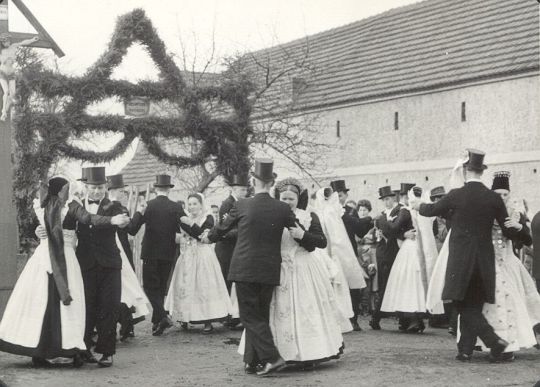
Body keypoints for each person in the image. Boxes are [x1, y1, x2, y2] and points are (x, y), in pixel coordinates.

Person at [0, 177, 128, 367]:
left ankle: (55, 348)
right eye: (66, 189)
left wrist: (113, 219)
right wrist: (38, 231)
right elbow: (87, 218)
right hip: (54, 257)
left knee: (53, 302)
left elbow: (87, 219)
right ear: (60, 191)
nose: (68, 192)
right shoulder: (57, 205)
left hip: (55, 256)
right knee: (51, 301)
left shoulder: (54, 204)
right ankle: (54, 348)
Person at [411, 149, 524, 362]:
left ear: (465, 170)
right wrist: (519, 228)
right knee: (473, 305)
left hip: (461, 261)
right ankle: (465, 350)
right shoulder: (493, 198)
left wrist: (418, 206)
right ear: (482, 172)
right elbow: (508, 230)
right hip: (485, 260)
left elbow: (432, 209)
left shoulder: (457, 194)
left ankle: (492, 341)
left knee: (462, 305)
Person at [206, 159, 297, 376]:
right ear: (273, 182)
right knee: (260, 315)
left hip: (245, 268)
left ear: (254, 181)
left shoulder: (242, 205)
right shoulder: (283, 208)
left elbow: (221, 228)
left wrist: (209, 236)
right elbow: (297, 231)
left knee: (249, 316)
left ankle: (272, 358)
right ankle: (251, 360)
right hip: (269, 269)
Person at [267, 178, 344, 368]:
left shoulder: (308, 216)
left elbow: (321, 242)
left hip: (303, 267)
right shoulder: (270, 216)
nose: (287, 202)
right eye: (284, 198)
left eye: (291, 198)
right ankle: (279, 353)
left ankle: (310, 352)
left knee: (306, 308)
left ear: (298, 199)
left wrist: (303, 236)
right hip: (279, 269)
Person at [70, 167, 134, 367]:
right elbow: (64, 224)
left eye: (100, 187)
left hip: (110, 264)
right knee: (86, 307)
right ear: (86, 187)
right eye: (93, 187)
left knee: (108, 307)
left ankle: (107, 352)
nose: (97, 191)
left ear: (106, 187)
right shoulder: (77, 206)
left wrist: (123, 221)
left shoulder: (114, 206)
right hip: (85, 264)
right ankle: (84, 349)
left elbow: (125, 222)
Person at [476, 171, 540, 361]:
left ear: (509, 195)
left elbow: (527, 239)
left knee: (516, 301)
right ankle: (490, 343)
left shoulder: (515, 213)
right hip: (490, 263)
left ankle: (512, 344)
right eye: (498, 194)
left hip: (509, 263)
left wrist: (519, 227)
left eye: (505, 194)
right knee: (491, 304)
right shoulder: (485, 212)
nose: (502, 198)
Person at [129, 175, 188, 337]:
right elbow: (187, 226)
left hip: (150, 252)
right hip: (168, 252)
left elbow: (132, 229)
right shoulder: (176, 207)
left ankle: (162, 316)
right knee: (161, 287)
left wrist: (138, 212)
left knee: (149, 286)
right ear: (169, 189)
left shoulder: (148, 205)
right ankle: (158, 322)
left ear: (155, 189)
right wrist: (204, 233)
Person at [165, 193, 233, 334]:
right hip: (187, 256)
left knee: (203, 286)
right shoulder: (184, 218)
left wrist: (190, 224)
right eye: (189, 204)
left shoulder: (207, 218)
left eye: (195, 203)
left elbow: (203, 235)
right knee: (185, 285)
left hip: (203, 256)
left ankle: (207, 321)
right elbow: (180, 235)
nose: (192, 207)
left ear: (201, 204)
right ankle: (184, 318)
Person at [381, 185, 438, 333]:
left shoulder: (406, 211)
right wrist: (405, 234)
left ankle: (412, 318)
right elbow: (435, 230)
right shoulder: (427, 211)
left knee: (409, 282)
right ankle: (413, 318)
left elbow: (394, 228)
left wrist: (382, 220)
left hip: (412, 248)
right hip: (421, 248)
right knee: (415, 282)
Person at [106, 175, 150, 341]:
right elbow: (131, 228)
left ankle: (126, 325)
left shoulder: (105, 206)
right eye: (121, 190)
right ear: (115, 191)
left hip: (116, 251)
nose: (123, 193)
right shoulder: (118, 208)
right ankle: (127, 325)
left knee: (122, 289)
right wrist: (139, 212)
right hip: (120, 253)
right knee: (125, 288)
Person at [329, 179, 372, 331]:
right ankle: (336, 318)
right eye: (336, 196)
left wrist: (366, 220)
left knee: (353, 284)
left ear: (345, 196)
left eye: (341, 195)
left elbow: (359, 229)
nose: (339, 199)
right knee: (336, 284)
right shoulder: (328, 210)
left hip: (348, 252)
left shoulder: (349, 211)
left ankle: (353, 318)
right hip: (333, 251)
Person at [370, 185, 414, 330]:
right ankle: (376, 317)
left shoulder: (401, 211)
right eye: (384, 199)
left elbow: (396, 228)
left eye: (388, 199)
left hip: (397, 252)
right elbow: (389, 229)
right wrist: (400, 232)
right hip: (385, 253)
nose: (386, 202)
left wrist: (389, 225)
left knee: (398, 285)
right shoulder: (383, 215)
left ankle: (402, 320)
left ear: (394, 198)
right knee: (385, 285)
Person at [215, 174, 249, 293]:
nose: (245, 192)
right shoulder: (228, 204)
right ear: (234, 190)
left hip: (234, 246)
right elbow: (225, 229)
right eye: (242, 189)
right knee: (226, 278)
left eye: (246, 189)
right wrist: (245, 230)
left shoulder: (241, 203)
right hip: (226, 248)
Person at [0, 33, 39, 120]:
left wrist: (33, 40)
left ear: (9, 41)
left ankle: (4, 113)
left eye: (6, 41)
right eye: (3, 42)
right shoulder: (1, 51)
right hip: (2, 72)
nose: (5, 43)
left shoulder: (13, 46)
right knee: (6, 92)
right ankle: (3, 111)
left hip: (11, 73)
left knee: (12, 94)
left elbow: (23, 42)